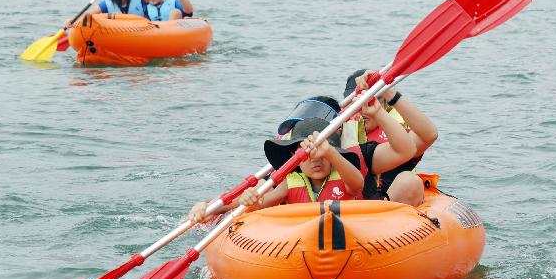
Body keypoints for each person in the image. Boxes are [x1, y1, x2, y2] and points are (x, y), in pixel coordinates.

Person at [187, 117, 365, 223]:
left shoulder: (344, 175)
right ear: (294, 156)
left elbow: (357, 185)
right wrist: (208, 206)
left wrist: (330, 152)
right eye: (308, 154)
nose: (316, 159)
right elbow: (261, 203)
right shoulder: (290, 183)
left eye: (322, 154)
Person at [342, 69, 438, 206]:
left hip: (388, 207)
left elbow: (429, 135)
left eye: (369, 101)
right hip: (348, 208)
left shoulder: (399, 139)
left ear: (384, 105)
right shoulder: (336, 135)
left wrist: (387, 90)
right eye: (356, 103)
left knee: (408, 180)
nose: (362, 110)